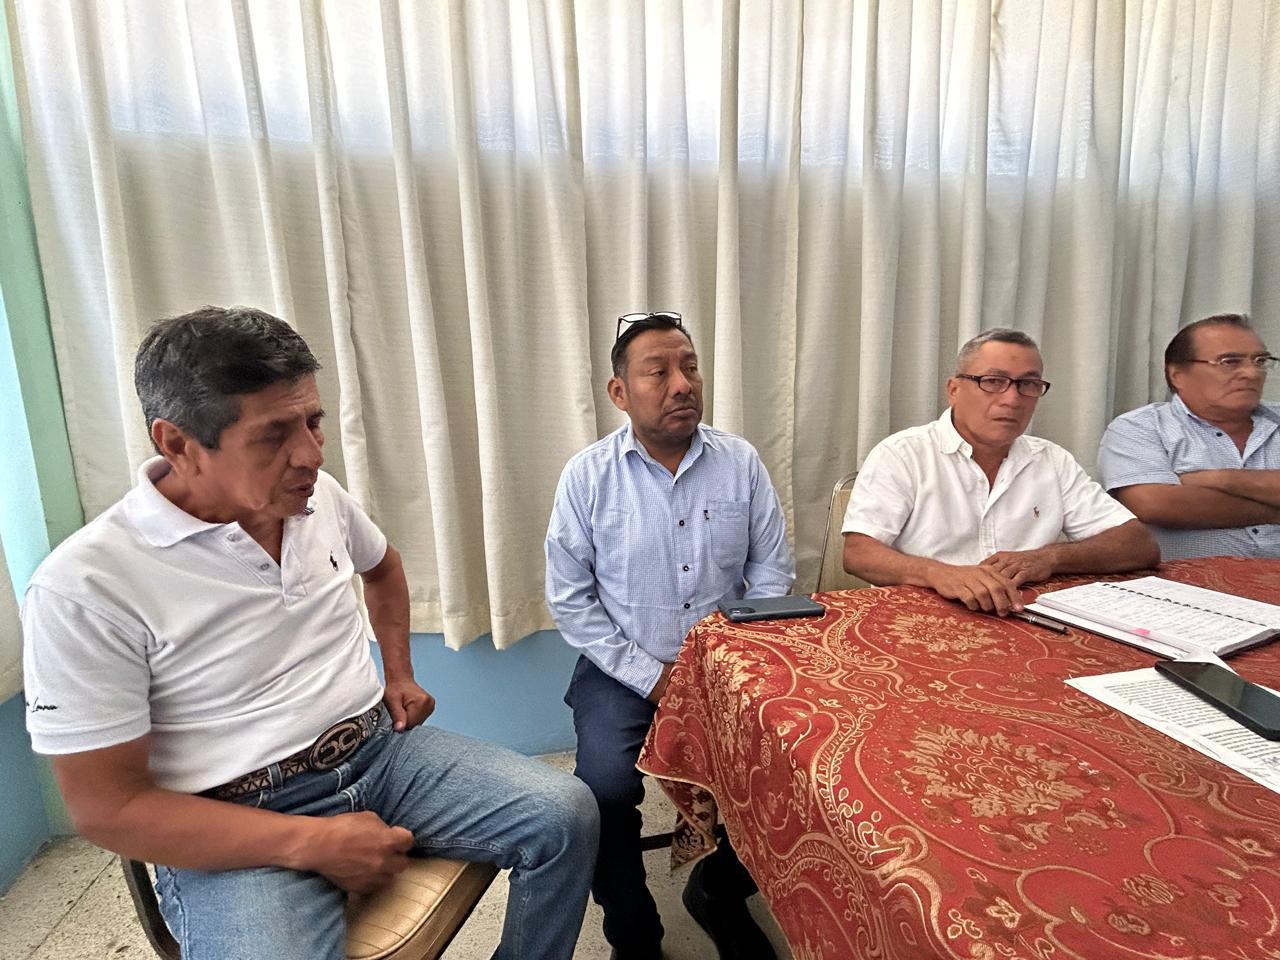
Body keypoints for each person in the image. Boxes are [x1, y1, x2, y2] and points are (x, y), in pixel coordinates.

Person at [22, 306, 598, 960]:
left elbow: (384, 568)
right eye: (273, 434)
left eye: (313, 421)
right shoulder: (86, 587)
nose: (312, 454)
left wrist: (400, 673)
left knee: (565, 815)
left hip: (378, 754)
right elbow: (107, 809)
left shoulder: (316, 495)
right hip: (234, 818)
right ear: (177, 444)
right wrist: (310, 843)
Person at [545, 311, 793, 960]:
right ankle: (635, 935)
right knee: (602, 792)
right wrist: (652, 677)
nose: (682, 384)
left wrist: (731, 662)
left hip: (728, 664)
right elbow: (571, 601)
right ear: (619, 392)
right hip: (623, 668)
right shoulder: (588, 477)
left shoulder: (739, 462)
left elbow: (771, 573)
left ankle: (719, 894)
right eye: (658, 372)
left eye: (690, 367)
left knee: (783, 776)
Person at [842, 328, 1159, 614]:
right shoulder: (903, 453)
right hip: (922, 617)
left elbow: (1138, 545)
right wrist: (938, 573)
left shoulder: (1051, 459)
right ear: (954, 390)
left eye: (1028, 384)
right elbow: (859, 554)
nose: (1012, 399)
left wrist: (1049, 558)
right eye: (993, 382)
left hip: (1026, 615)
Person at [1098, 313, 1280, 560]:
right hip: (1191, 580)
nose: (1251, 372)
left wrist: (1221, 479)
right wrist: (1273, 511)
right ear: (1177, 375)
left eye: (1260, 361)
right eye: (1229, 361)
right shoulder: (1141, 427)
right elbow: (1156, 505)